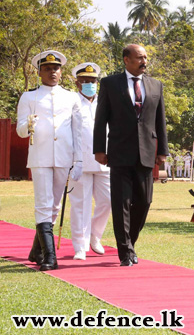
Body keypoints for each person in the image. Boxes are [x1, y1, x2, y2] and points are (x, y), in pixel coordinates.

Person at [93, 44, 168, 267]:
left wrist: (162, 151)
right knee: (121, 203)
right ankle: (125, 252)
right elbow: (101, 118)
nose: (144, 61)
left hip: (146, 153)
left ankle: (129, 243)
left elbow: (160, 120)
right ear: (127, 60)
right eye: (139, 58)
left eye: (145, 57)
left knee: (144, 201)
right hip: (119, 152)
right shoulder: (109, 83)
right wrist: (99, 149)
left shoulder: (156, 85)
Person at [17, 50, 83, 271]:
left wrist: (79, 160)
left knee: (54, 207)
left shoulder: (72, 97)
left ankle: (36, 250)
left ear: (61, 72)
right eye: (47, 69)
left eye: (55, 68)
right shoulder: (29, 97)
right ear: (40, 72)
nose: (52, 72)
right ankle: (49, 256)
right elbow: (20, 132)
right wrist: (29, 124)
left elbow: (77, 130)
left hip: (63, 156)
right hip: (40, 156)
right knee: (44, 204)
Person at [68, 62, 111, 261]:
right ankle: (80, 245)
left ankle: (95, 236)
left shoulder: (104, 102)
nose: (89, 84)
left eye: (92, 81)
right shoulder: (71, 102)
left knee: (108, 201)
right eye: (85, 81)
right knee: (80, 204)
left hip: (104, 160)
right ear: (77, 83)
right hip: (80, 161)